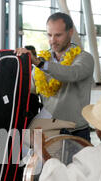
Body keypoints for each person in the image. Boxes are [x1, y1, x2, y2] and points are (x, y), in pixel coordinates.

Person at [15, 12, 94, 142]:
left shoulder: (84, 58)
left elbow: (71, 73)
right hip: (49, 129)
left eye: (58, 35)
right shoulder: (44, 59)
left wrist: (39, 63)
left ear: (70, 32)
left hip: (76, 132)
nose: (52, 40)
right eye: (49, 35)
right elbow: (31, 87)